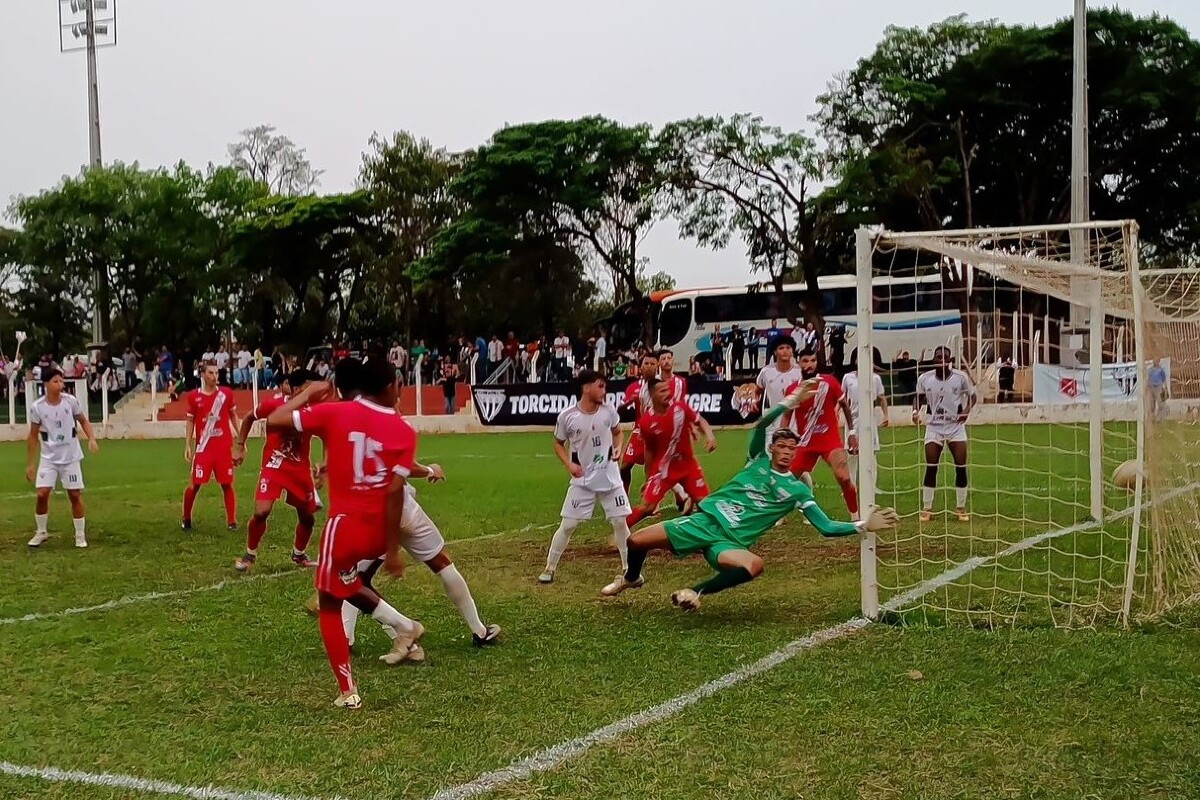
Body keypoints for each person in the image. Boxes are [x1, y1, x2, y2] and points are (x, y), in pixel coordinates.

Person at [601, 382, 899, 607]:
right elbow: (761, 425)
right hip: (706, 521)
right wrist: (789, 402)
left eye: (791, 449)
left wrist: (862, 525)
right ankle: (631, 578)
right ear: (772, 449)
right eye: (781, 447)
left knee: (755, 565)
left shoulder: (797, 490)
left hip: (730, 542)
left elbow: (826, 527)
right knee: (635, 541)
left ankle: (696, 592)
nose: (786, 452)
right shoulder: (756, 460)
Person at [265, 358, 424, 710]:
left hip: (345, 528)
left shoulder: (336, 413)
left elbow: (274, 420)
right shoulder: (403, 430)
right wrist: (393, 551)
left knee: (328, 601)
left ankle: (347, 689)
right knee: (348, 582)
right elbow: (396, 491)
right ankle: (404, 626)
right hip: (379, 531)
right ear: (389, 388)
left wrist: (306, 393)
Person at [539, 370, 633, 584]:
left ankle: (629, 569)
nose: (604, 390)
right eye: (600, 386)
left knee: (619, 521)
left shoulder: (609, 411)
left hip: (610, 478)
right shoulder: (567, 416)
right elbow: (558, 444)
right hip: (583, 481)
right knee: (569, 525)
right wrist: (568, 464)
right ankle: (550, 567)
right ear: (586, 387)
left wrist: (618, 448)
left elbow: (618, 432)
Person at [231, 369, 319, 572]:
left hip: (299, 469)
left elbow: (326, 434)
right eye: (309, 386)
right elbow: (248, 418)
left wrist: (324, 462)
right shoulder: (275, 404)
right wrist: (239, 445)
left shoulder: (314, 408)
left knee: (307, 517)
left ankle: (299, 554)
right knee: (261, 511)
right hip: (274, 464)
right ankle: (249, 555)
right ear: (298, 388)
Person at [624, 378, 717, 528]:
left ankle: (709, 536)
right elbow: (649, 451)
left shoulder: (680, 408)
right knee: (647, 507)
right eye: (662, 391)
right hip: (663, 471)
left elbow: (701, 421)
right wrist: (649, 478)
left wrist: (710, 436)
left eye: (668, 389)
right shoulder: (646, 422)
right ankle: (621, 531)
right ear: (652, 395)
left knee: (705, 503)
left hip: (687, 466)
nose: (668, 393)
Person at [26, 369, 100, 549]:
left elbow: (83, 420)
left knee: (74, 495)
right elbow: (33, 435)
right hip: (48, 457)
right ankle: (41, 531)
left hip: (70, 456)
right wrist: (30, 463)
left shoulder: (70, 401)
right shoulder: (37, 407)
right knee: (42, 494)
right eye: (55, 381)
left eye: (61, 381)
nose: (60, 384)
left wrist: (91, 438)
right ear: (46, 384)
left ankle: (80, 535)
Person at [781, 347, 859, 518]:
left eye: (813, 361)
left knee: (844, 478)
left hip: (829, 440)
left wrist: (852, 432)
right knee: (785, 481)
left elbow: (845, 405)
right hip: (805, 442)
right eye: (805, 361)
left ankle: (855, 515)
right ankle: (775, 516)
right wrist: (783, 438)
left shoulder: (829, 382)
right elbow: (786, 416)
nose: (810, 365)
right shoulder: (794, 389)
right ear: (798, 363)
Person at [913, 345, 977, 522]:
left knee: (960, 466)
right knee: (931, 466)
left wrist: (966, 410)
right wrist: (915, 411)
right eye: (938, 357)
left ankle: (961, 508)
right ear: (934, 360)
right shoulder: (925, 378)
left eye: (945, 358)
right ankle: (927, 508)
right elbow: (918, 397)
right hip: (934, 427)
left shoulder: (960, 377)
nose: (941, 360)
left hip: (955, 426)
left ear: (949, 361)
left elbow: (973, 396)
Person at [182, 363, 240, 531]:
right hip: (204, 448)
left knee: (227, 484)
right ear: (203, 375)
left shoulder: (226, 394)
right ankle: (186, 517)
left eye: (216, 372)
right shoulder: (194, 396)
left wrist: (241, 439)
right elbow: (190, 420)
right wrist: (187, 444)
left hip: (223, 448)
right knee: (194, 484)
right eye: (211, 372)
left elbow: (233, 415)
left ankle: (231, 521)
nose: (215, 376)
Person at [618, 353, 664, 493]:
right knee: (625, 466)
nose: (649, 367)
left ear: (657, 366)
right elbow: (620, 410)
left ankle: (655, 503)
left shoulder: (662, 386)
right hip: (639, 431)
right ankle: (624, 500)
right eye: (646, 363)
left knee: (652, 470)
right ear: (641, 366)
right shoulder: (634, 387)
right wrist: (627, 403)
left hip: (657, 433)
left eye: (652, 364)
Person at [841, 352, 889, 483]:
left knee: (870, 455)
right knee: (851, 456)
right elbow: (842, 399)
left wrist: (886, 415)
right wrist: (836, 412)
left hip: (869, 421)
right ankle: (851, 487)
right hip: (852, 420)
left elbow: (881, 398)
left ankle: (871, 489)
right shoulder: (847, 377)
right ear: (855, 361)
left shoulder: (875, 379)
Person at [754, 335, 804, 437]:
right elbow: (758, 390)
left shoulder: (800, 372)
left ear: (792, 351)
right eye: (781, 348)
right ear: (775, 352)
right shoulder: (766, 372)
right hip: (773, 422)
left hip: (797, 424)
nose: (785, 351)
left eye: (788, 348)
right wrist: (754, 401)